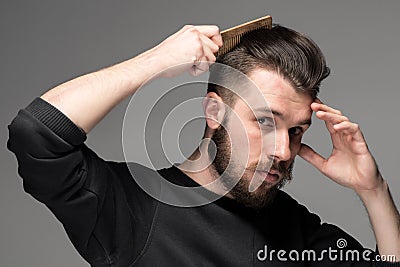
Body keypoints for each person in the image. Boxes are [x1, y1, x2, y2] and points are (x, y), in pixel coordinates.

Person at [7, 24, 400, 266]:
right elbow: (37, 134)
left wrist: (374, 190)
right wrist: (155, 61)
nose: (283, 150)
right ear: (215, 110)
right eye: (264, 121)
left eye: (297, 130)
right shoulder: (135, 209)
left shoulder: (294, 229)